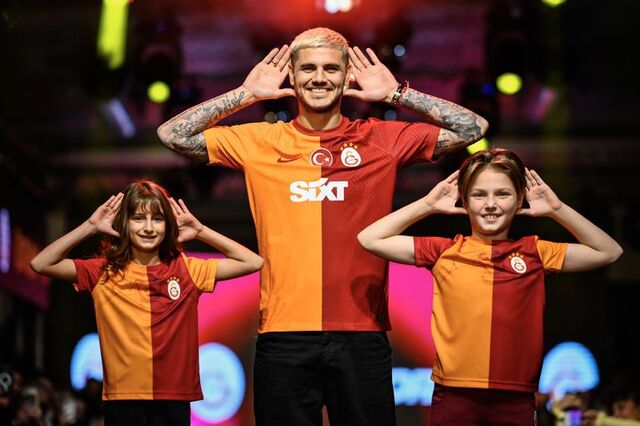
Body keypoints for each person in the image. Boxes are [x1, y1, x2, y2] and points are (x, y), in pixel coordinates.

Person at [156, 27, 488, 425]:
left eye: (331, 68)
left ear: (348, 78)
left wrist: (397, 95)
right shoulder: (259, 141)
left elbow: (473, 129)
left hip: (362, 335)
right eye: (308, 68)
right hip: (282, 337)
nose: (319, 78)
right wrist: (246, 94)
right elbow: (171, 135)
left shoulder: (381, 139)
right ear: (292, 77)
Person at [357, 148, 623, 425]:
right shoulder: (444, 251)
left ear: (519, 200)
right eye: (479, 194)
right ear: (464, 200)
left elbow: (609, 251)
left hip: (516, 396)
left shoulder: (534, 252)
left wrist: (557, 210)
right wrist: (427, 204)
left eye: (503, 194)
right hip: (454, 393)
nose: (491, 204)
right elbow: (370, 238)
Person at [29, 180, 263, 426]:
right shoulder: (104, 272)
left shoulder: (188, 270)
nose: (148, 228)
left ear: (168, 225)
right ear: (124, 223)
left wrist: (200, 231)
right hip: (123, 400)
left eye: (157, 219)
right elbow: (41, 263)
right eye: (138, 218)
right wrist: (90, 226)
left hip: (174, 400)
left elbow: (252, 262)